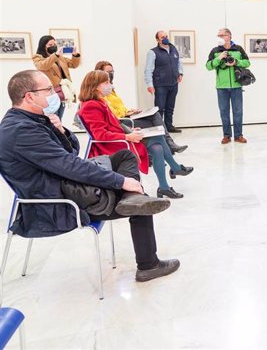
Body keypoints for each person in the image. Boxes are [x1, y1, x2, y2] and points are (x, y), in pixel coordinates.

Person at [0, 70, 179, 282]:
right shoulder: (21, 130)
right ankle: (149, 265)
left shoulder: (31, 119)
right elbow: (70, 165)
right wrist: (121, 181)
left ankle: (130, 198)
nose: (54, 93)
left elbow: (71, 152)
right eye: (48, 89)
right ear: (29, 96)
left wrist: (61, 131)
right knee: (140, 204)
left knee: (124, 156)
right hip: (59, 198)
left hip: (63, 181)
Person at [78, 70, 194, 199]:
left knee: (158, 147)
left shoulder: (99, 102)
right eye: (106, 82)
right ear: (95, 86)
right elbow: (100, 135)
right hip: (112, 145)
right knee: (158, 139)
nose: (109, 85)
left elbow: (114, 124)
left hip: (119, 139)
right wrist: (127, 136)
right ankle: (173, 172)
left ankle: (165, 186)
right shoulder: (91, 106)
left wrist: (130, 131)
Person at [94, 61, 187, 154]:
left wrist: (129, 111)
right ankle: (168, 146)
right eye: (108, 72)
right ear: (100, 73)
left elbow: (119, 107)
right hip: (121, 122)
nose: (111, 74)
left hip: (125, 116)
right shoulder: (101, 92)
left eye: (112, 72)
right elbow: (112, 112)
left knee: (155, 115)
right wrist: (125, 113)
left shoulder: (111, 88)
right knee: (154, 122)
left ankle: (168, 145)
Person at [206, 28, 251, 144]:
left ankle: (238, 135)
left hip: (236, 85)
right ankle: (226, 135)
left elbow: (247, 62)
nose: (220, 37)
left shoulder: (238, 49)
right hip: (221, 87)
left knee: (238, 111)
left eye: (222, 35)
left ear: (229, 36)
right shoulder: (215, 50)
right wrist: (219, 58)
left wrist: (236, 62)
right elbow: (208, 66)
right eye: (218, 35)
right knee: (224, 112)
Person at [32, 34, 82, 120]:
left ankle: (57, 133)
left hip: (62, 91)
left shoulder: (60, 57)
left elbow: (73, 64)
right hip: (50, 93)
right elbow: (43, 66)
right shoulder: (37, 57)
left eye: (54, 44)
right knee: (52, 118)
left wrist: (75, 55)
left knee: (59, 118)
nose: (53, 46)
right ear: (43, 46)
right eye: (50, 45)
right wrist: (55, 55)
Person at [145, 31, 184, 133]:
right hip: (160, 85)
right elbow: (148, 69)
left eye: (166, 36)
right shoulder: (152, 52)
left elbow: (179, 62)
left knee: (170, 106)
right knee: (160, 108)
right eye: (162, 37)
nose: (165, 38)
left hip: (174, 83)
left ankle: (169, 126)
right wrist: (149, 84)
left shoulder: (174, 49)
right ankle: (159, 128)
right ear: (158, 40)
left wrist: (180, 73)